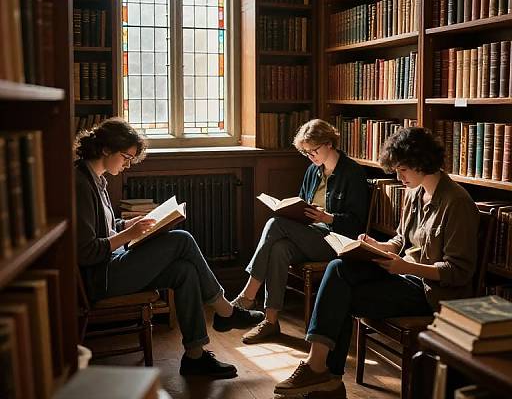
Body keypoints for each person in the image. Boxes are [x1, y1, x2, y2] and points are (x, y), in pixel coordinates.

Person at [274, 126, 480, 397]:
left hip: (432, 293)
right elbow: (400, 240)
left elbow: (458, 272)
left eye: (403, 170)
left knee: (339, 297)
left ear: (422, 162)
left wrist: (405, 267)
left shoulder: (457, 203)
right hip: (403, 276)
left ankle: (325, 375)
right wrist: (377, 246)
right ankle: (321, 371)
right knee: (339, 268)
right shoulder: (415, 192)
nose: (398, 177)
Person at [75, 117, 264, 379]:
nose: (127, 165)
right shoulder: (80, 183)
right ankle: (224, 310)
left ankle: (195, 357)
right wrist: (130, 233)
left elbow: (103, 229)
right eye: (126, 157)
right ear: (106, 149)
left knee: (184, 270)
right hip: (101, 278)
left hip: (113, 265)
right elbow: (86, 251)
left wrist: (127, 223)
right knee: (182, 239)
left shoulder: (98, 179)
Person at [232, 119, 370, 344]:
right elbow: (302, 204)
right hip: (309, 236)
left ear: (329, 143)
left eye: (313, 150)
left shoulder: (352, 173)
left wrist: (328, 217)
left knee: (276, 224)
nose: (310, 156)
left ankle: (248, 295)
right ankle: (270, 321)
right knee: (279, 248)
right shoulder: (312, 171)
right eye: (305, 153)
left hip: (336, 242)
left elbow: (356, 225)